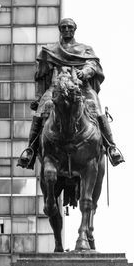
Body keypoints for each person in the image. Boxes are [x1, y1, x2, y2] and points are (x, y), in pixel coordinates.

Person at [17, 17, 125, 169]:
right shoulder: (50, 51)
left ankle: (111, 147)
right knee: (41, 111)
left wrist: (85, 72)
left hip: (82, 88)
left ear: (75, 29)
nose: (67, 30)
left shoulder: (85, 49)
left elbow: (93, 65)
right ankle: (30, 150)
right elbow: (41, 75)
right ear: (60, 30)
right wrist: (38, 96)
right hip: (55, 88)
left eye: (69, 27)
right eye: (63, 27)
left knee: (97, 109)